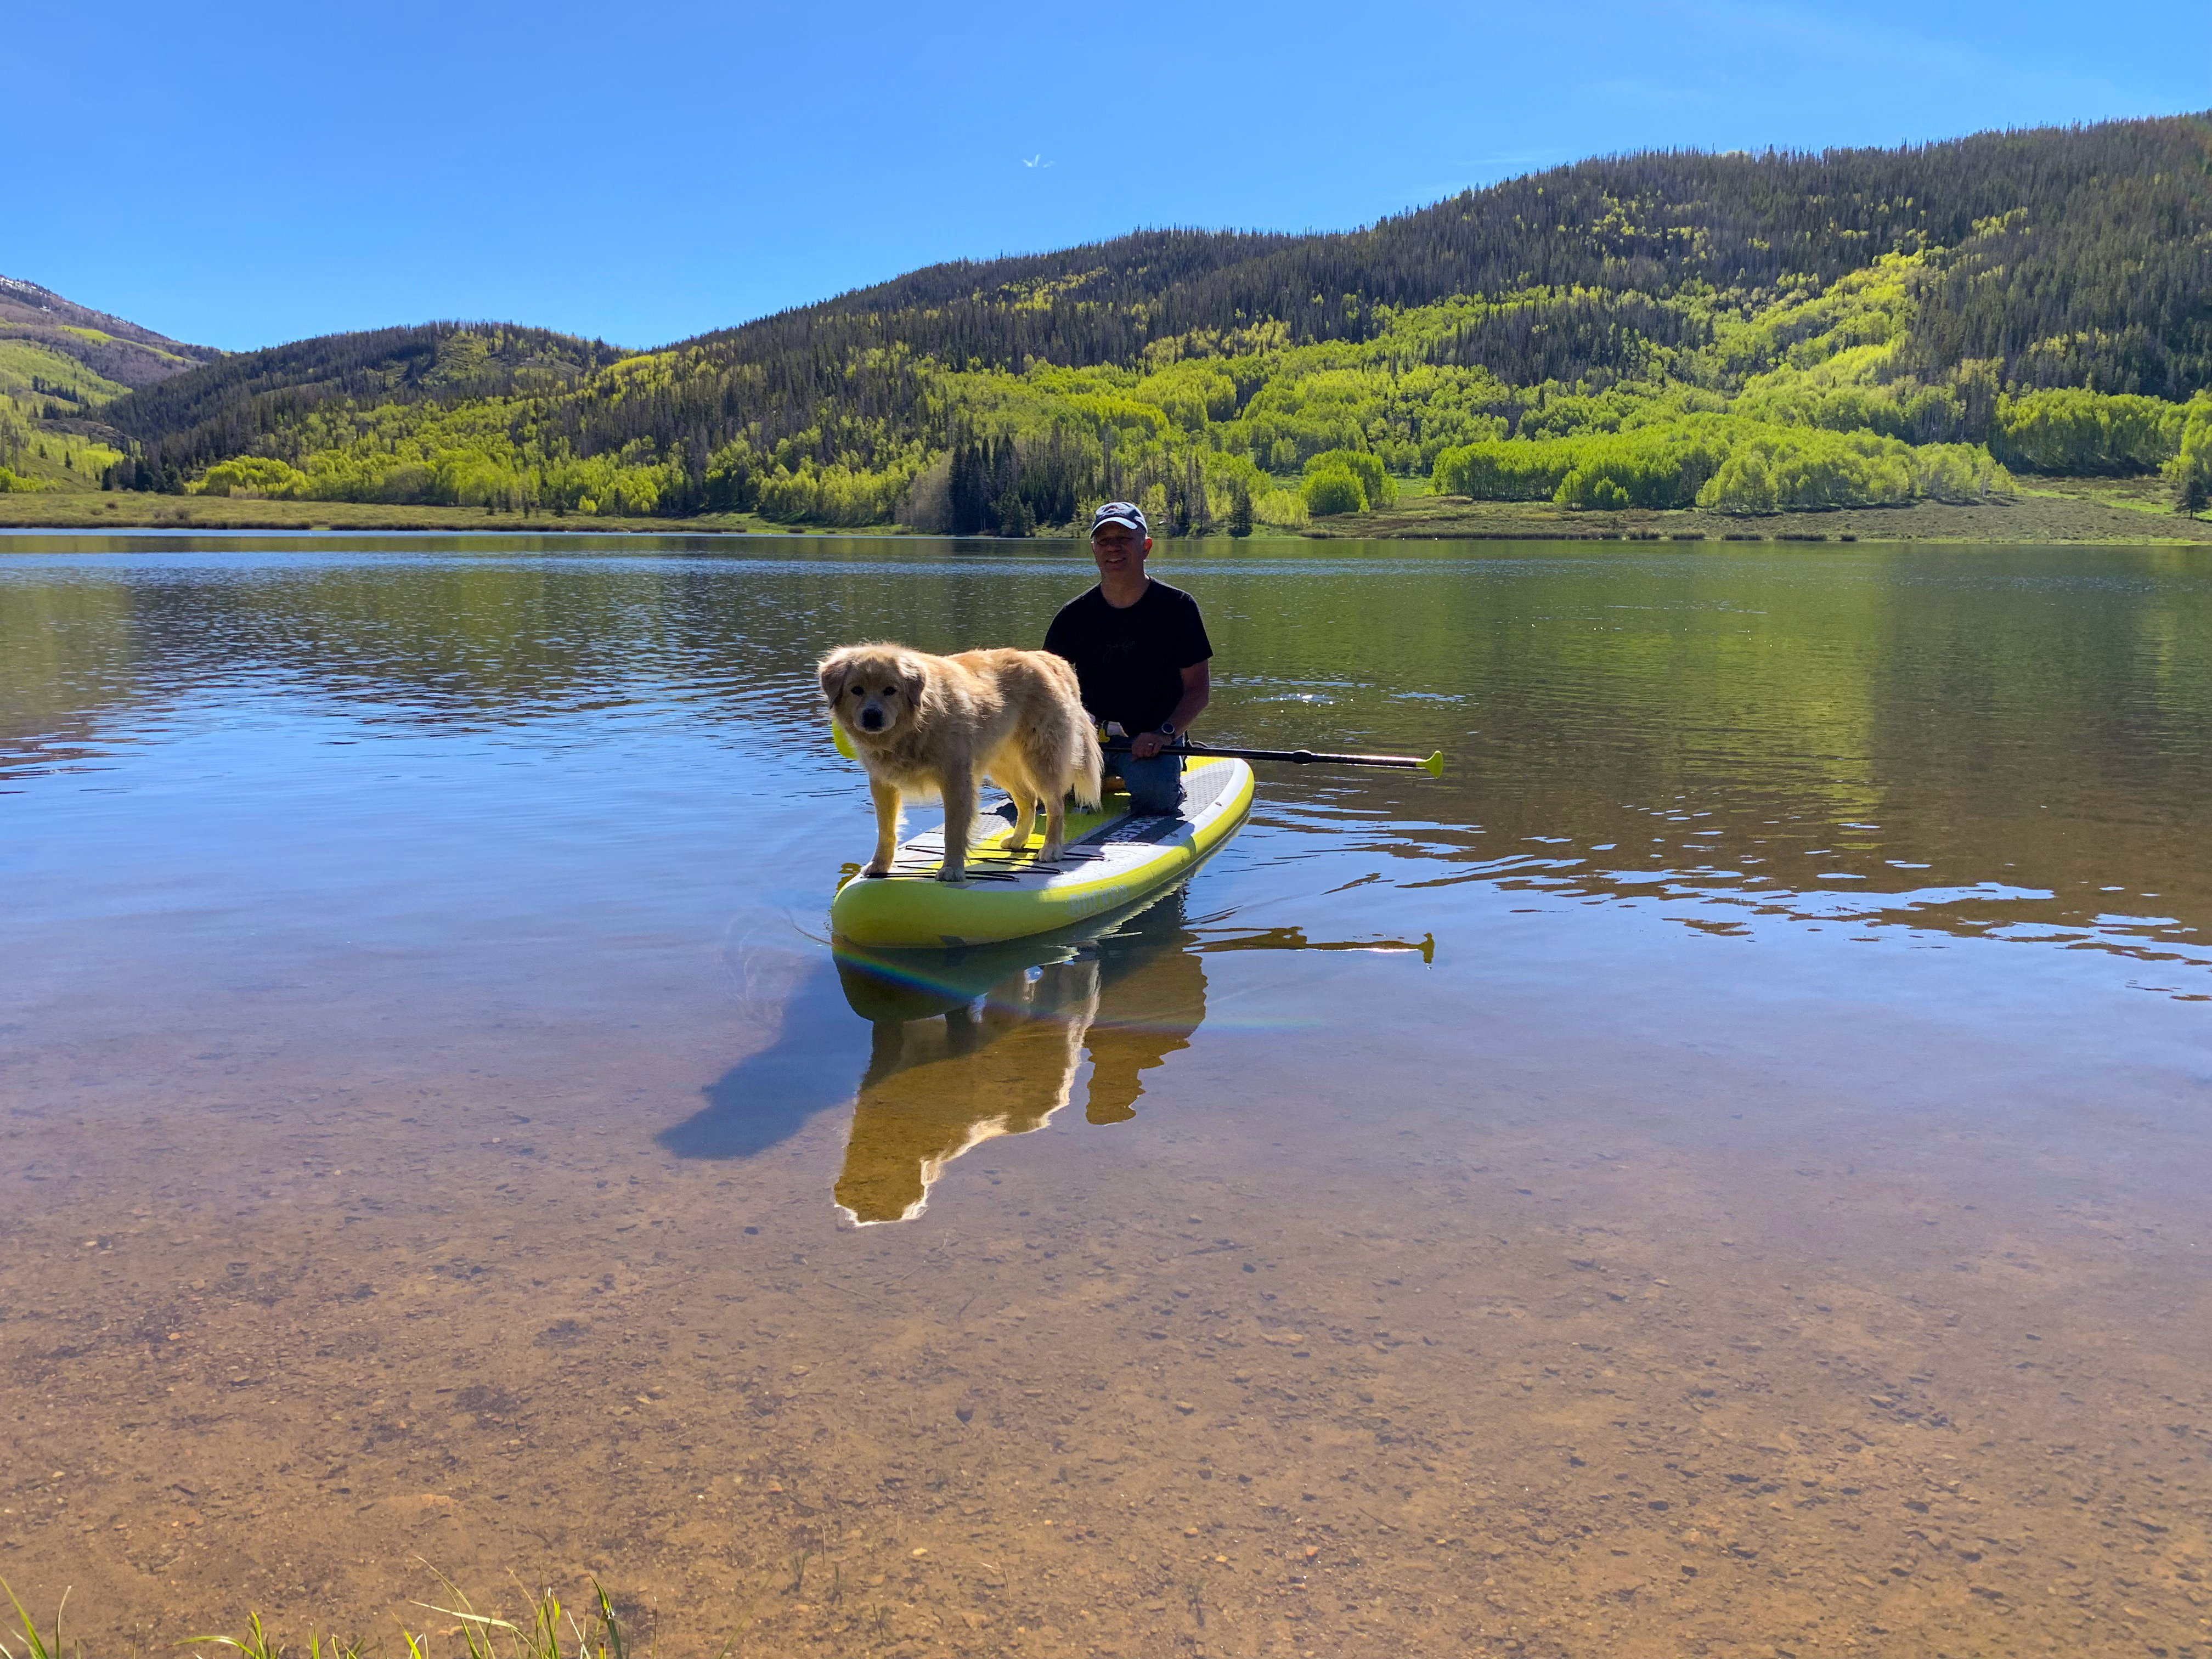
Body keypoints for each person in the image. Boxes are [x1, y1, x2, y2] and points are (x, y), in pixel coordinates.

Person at [1042, 501, 1212, 815]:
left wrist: (1165, 734)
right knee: (1031, 787)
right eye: (1104, 540)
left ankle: (1170, 772)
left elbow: (1198, 691)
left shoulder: (1179, 608)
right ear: (1094, 550)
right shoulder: (1073, 615)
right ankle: (1095, 779)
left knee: (1154, 799)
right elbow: (1048, 690)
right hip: (1087, 738)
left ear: (1146, 547)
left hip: (1152, 739)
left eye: (1124, 539)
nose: (1113, 548)